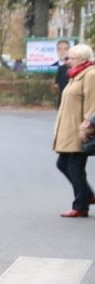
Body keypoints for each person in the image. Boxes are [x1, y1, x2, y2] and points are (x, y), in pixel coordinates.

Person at [52, 43, 95, 218]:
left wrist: (88, 127)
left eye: (71, 57)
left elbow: (92, 103)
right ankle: (87, 195)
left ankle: (80, 205)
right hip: (69, 129)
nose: (67, 60)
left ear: (82, 59)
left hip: (80, 129)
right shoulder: (76, 74)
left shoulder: (90, 75)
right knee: (63, 164)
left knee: (75, 167)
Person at [54, 40, 71, 108]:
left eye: (65, 49)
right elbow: (57, 84)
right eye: (60, 49)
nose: (62, 52)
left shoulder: (74, 68)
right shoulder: (60, 68)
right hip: (62, 98)